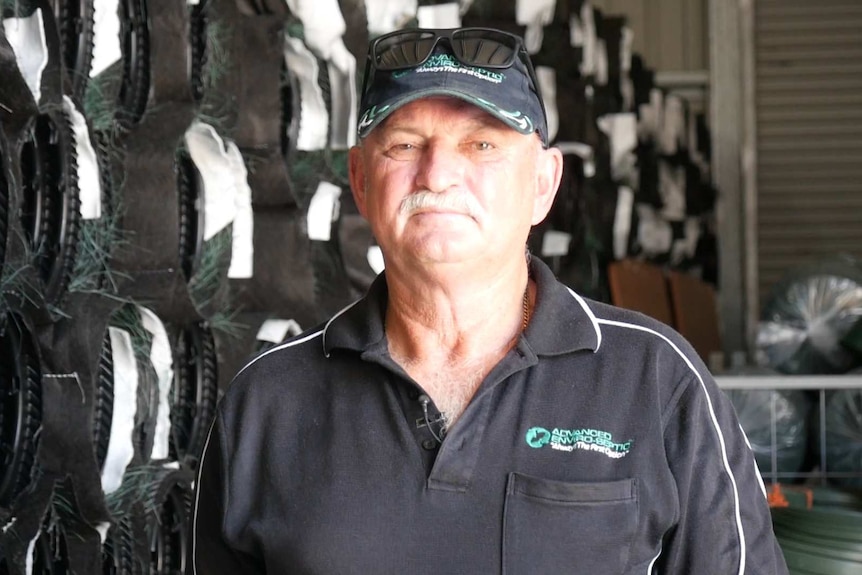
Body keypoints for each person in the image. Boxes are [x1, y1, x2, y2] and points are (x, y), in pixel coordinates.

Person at [189, 27, 789, 574]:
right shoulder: (265, 404)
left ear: (543, 185)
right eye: (404, 144)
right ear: (361, 181)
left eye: (481, 145)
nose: (438, 175)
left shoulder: (654, 381)